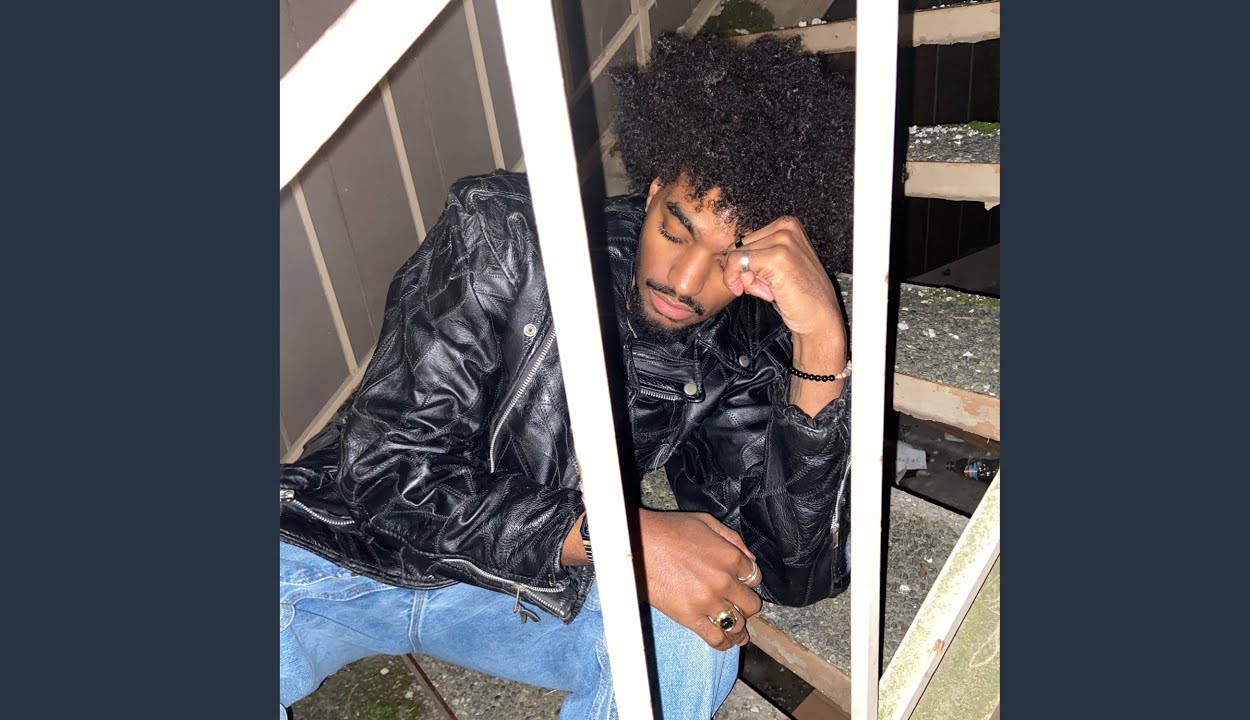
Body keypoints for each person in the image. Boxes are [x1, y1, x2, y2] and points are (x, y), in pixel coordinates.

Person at [279, 32, 854, 719]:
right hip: (331, 552)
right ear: (652, 192)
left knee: (697, 640)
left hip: (511, 590)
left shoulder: (735, 343)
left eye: (730, 259)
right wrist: (620, 536)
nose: (685, 281)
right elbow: (387, 468)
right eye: (677, 231)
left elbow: (790, 570)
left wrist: (821, 344)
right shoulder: (508, 236)